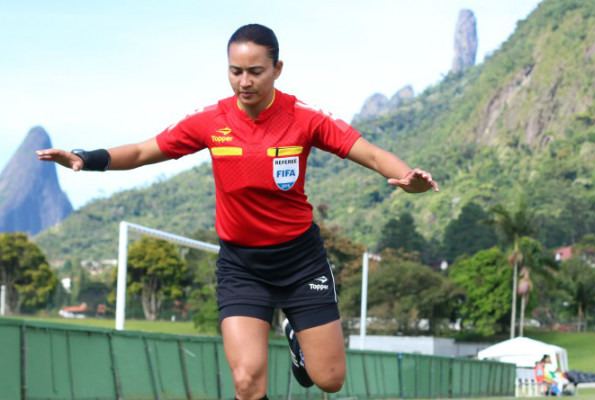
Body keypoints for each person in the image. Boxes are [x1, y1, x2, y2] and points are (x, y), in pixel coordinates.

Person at [37, 24, 438, 400]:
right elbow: (145, 151)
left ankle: (297, 340)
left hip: (301, 262)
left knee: (329, 381)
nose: (244, 81)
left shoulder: (304, 118)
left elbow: (367, 152)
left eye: (255, 71)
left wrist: (407, 176)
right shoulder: (212, 121)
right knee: (246, 381)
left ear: (277, 69)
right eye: (235, 71)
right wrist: (86, 159)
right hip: (242, 266)